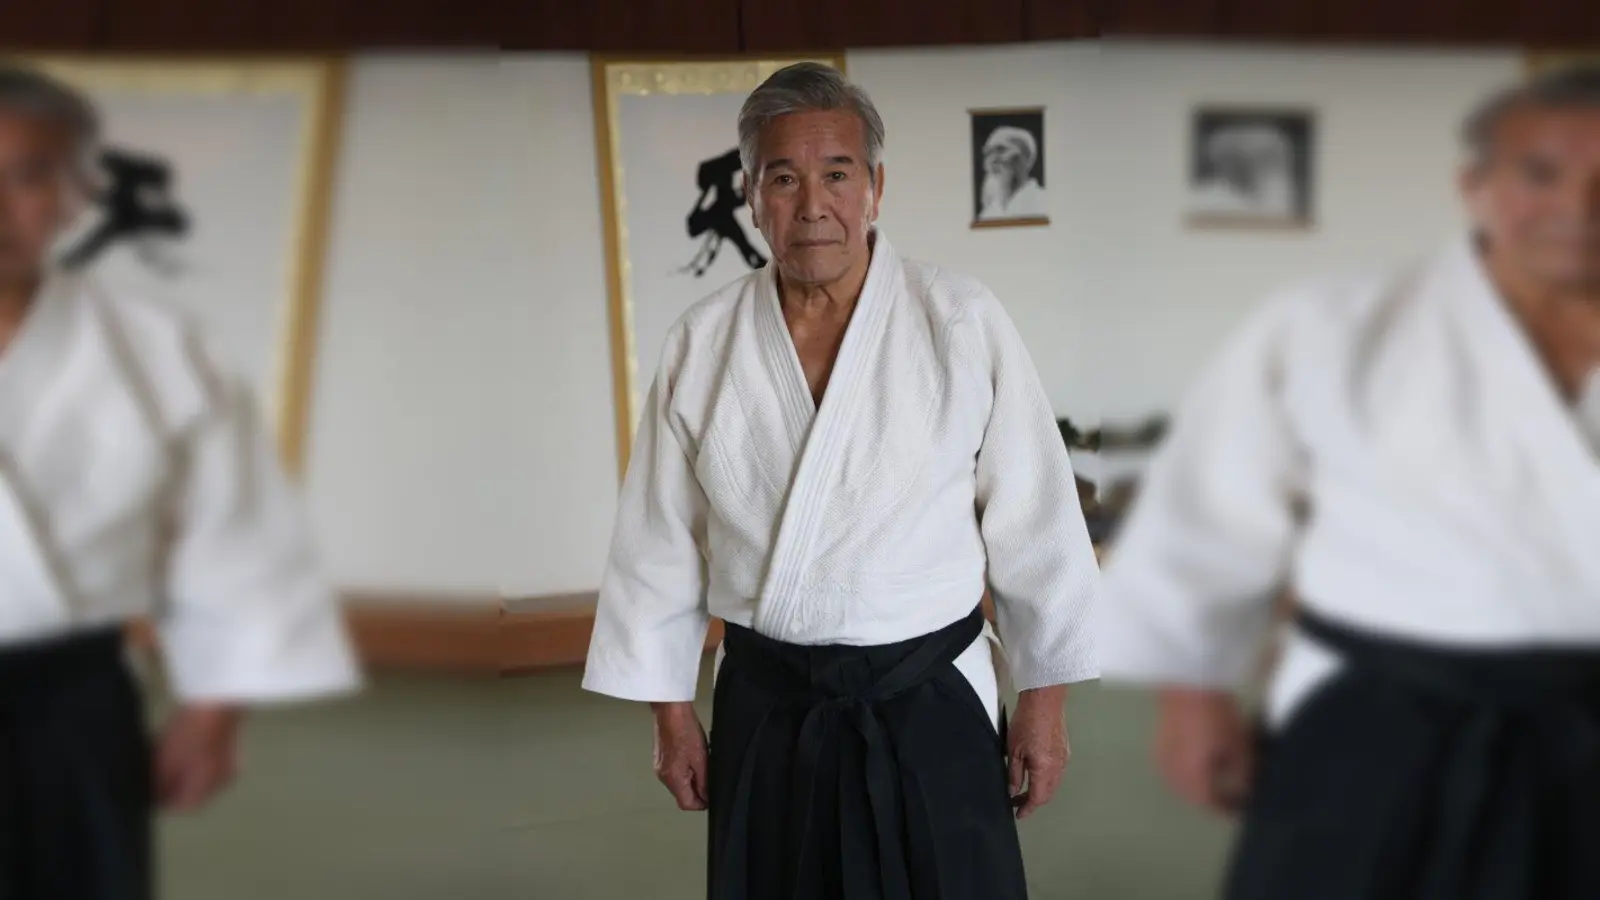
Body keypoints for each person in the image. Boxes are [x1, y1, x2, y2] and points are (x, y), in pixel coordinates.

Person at [584, 62, 1098, 899]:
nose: (812, 204)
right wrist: (670, 716)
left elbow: (1036, 517)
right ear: (752, 194)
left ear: (876, 188)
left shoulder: (959, 318)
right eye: (784, 178)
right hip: (769, 704)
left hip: (931, 696)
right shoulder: (701, 344)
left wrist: (1043, 701)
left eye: (837, 174)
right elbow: (657, 540)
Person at [1100, 64, 1600, 900]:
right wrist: (1194, 698)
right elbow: (1209, 512)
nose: (1578, 209)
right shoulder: (1334, 324)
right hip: (1380, 730)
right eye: (1540, 174)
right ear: (1474, 185)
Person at [0, 64, 360, 899]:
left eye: (25, 174)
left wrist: (212, 711)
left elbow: (236, 533)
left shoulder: (152, 348)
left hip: (68, 706)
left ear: (76, 191)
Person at [978, 125, 1046, 221]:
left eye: (1001, 150)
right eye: (989, 153)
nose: (992, 160)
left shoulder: (1044, 202)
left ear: (1025, 158)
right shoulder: (988, 214)